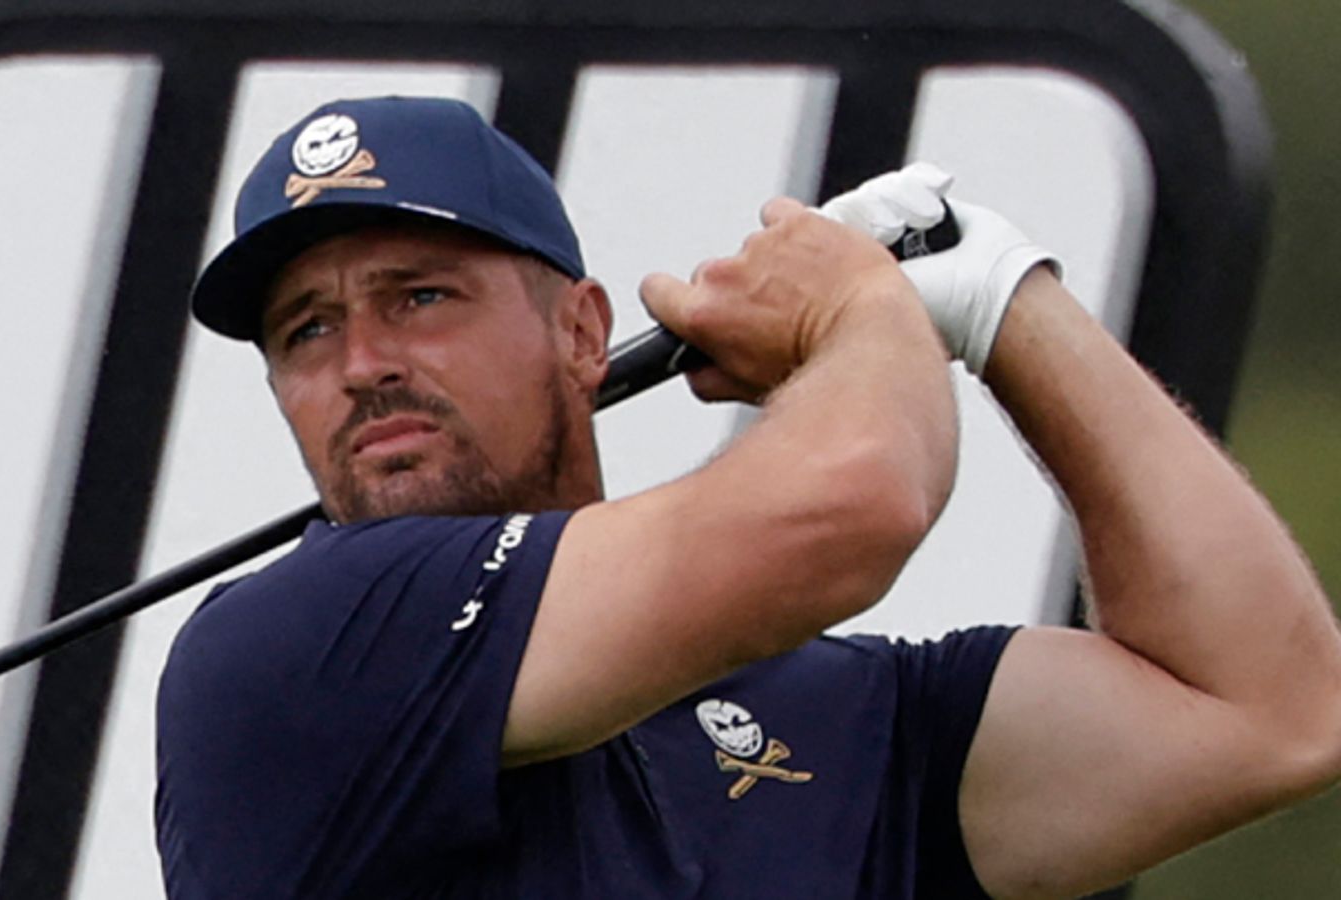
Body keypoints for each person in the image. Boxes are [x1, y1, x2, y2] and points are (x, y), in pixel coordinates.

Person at [154, 95, 1341, 899]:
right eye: (307, 331)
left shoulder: (836, 717)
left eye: (419, 297)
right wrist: (862, 313)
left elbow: (1272, 710)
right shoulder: (290, 649)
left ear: (581, 334)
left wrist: (1004, 301)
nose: (362, 363)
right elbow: (855, 504)